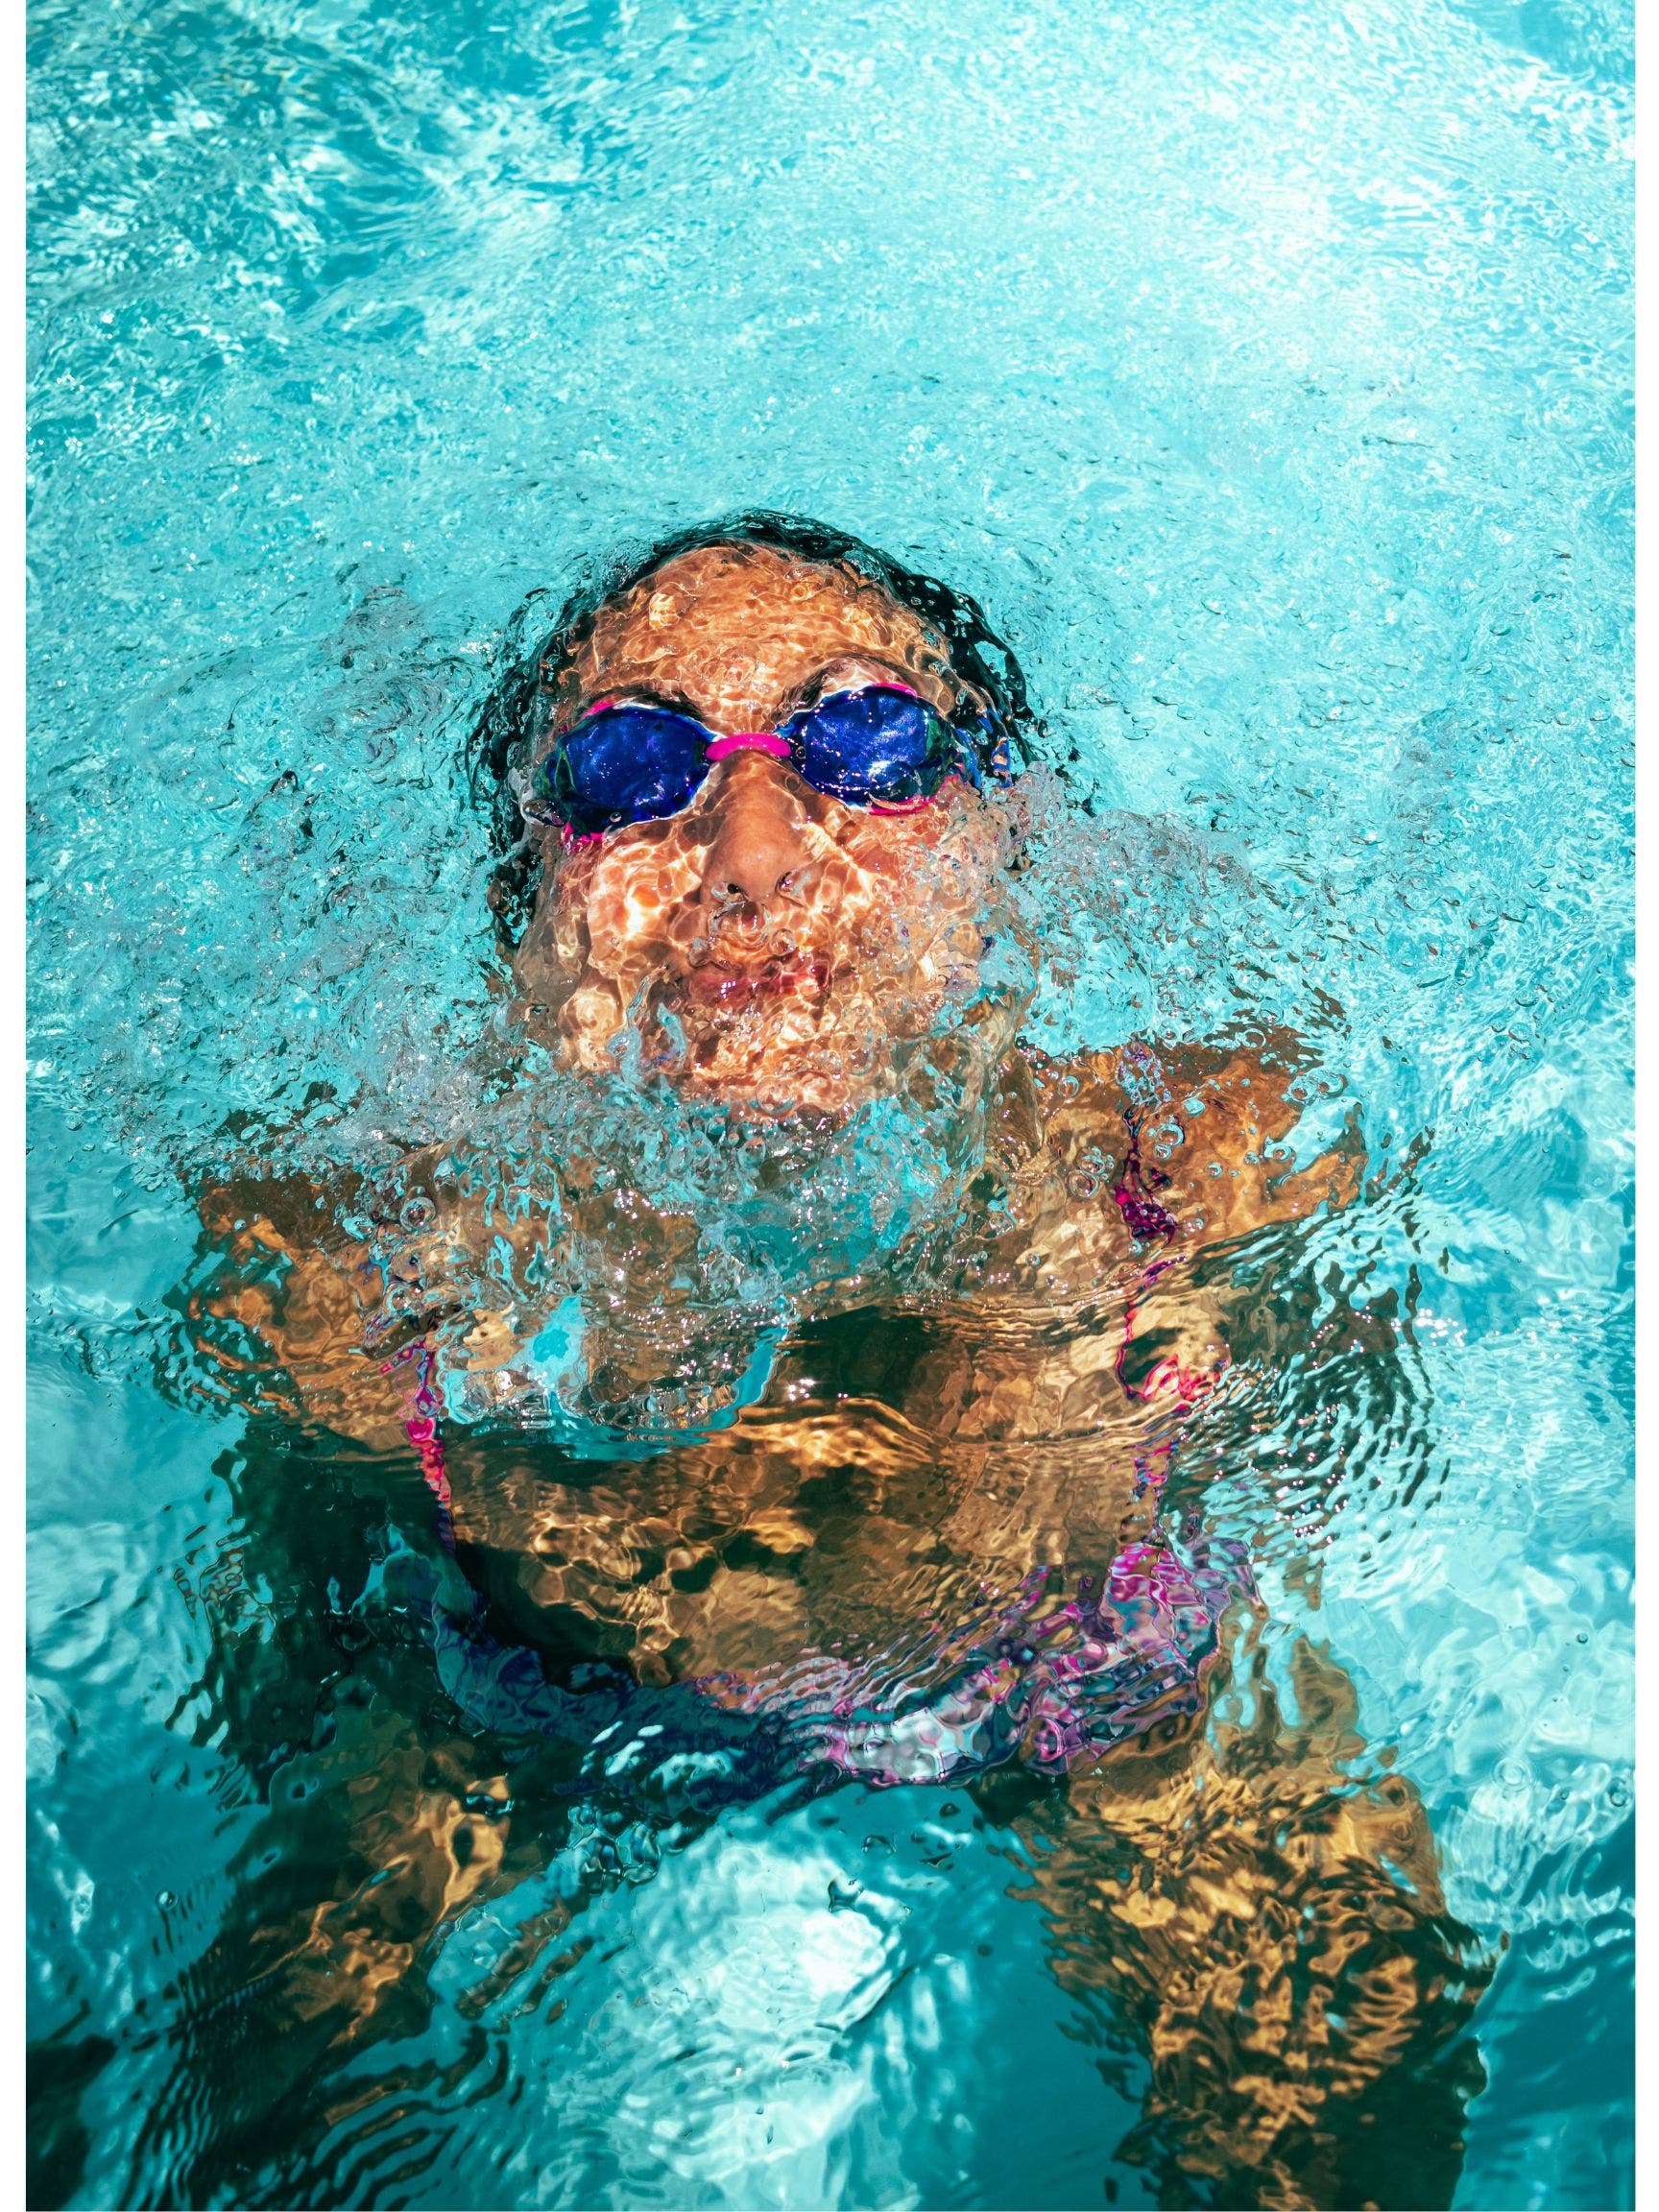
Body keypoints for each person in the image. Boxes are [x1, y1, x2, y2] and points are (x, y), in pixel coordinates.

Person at [169, 517, 1486, 2209]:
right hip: (505, 1699)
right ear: (531, 888)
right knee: (231, 2110)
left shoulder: (1206, 1149)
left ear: (1015, 836)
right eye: (632, 766)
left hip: (1085, 1681)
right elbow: (287, 1630)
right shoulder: (343, 1257)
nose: (758, 848)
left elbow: (1360, 1452)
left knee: (1353, 2104)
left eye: (866, 743)